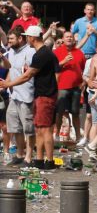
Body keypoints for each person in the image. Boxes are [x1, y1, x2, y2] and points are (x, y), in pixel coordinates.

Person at [1, 27, 58, 169]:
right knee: (37, 129)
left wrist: (8, 83)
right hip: (33, 95)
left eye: (27, 37)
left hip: (41, 95)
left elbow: (28, 75)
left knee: (44, 130)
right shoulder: (39, 52)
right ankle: (36, 159)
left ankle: (47, 161)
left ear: (31, 38)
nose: (27, 39)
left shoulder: (40, 53)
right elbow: (15, 69)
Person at [1, 28, 34, 166]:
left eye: (11, 39)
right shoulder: (11, 51)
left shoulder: (30, 52)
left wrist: (8, 83)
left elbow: (30, 73)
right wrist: (2, 57)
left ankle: (29, 156)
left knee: (28, 128)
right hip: (14, 95)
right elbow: (10, 67)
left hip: (27, 95)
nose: (8, 42)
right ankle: (20, 154)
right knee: (15, 127)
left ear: (20, 38)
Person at [54, 30, 86, 142]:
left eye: (71, 37)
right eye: (67, 37)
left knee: (76, 113)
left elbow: (82, 68)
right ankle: (56, 135)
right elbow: (53, 68)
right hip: (61, 87)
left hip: (76, 87)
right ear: (62, 39)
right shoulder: (57, 52)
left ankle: (78, 137)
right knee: (60, 112)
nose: (69, 38)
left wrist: (82, 83)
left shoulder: (79, 52)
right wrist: (63, 61)